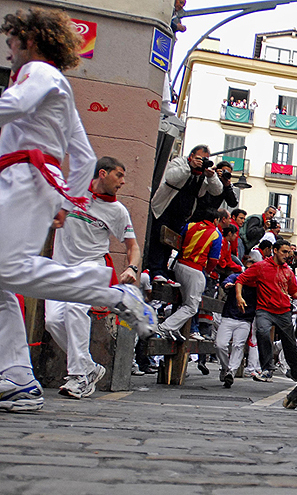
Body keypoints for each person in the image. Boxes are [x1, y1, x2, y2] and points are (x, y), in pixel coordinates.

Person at [0, 8, 156, 412]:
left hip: (23, 179)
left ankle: (114, 292)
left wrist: (60, 198)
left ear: (30, 41)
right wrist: (64, 199)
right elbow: (84, 155)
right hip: (29, 181)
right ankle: (16, 377)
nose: (8, 50)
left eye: (11, 42)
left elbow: (12, 106)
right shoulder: (58, 83)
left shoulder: (39, 73)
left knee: (8, 270)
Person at [45, 157, 139, 399]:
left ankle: (79, 377)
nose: (123, 181)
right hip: (60, 268)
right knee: (53, 321)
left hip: (91, 266)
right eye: (119, 175)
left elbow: (133, 246)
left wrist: (132, 268)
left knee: (76, 308)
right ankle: (89, 367)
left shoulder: (118, 211)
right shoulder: (72, 193)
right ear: (103, 173)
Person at [148, 145, 223, 285]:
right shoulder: (180, 163)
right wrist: (189, 166)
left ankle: (163, 271)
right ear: (192, 155)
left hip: (182, 213)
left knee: (171, 242)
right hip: (165, 208)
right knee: (159, 238)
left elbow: (217, 191)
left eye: (205, 159)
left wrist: (211, 177)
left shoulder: (204, 174)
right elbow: (170, 177)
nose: (202, 162)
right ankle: (155, 270)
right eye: (199, 158)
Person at [235, 239, 297, 382]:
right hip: (264, 309)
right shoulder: (261, 266)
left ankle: (296, 372)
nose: (287, 255)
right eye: (284, 252)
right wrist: (239, 297)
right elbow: (240, 279)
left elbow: (294, 293)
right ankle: (267, 369)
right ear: (275, 250)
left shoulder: (289, 271)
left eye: (288, 252)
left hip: (284, 311)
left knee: (290, 342)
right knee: (262, 332)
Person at [157, 209, 223, 341]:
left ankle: (174, 329)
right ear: (215, 220)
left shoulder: (190, 226)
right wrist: (208, 272)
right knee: (191, 307)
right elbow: (214, 260)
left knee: (183, 300)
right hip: (196, 269)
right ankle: (165, 327)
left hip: (179, 266)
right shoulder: (216, 234)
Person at [215, 256, 257, 388]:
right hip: (229, 316)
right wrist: (226, 284)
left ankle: (231, 372)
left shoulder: (258, 283)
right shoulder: (236, 277)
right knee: (219, 344)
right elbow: (227, 281)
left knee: (238, 346)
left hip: (245, 320)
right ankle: (225, 367)